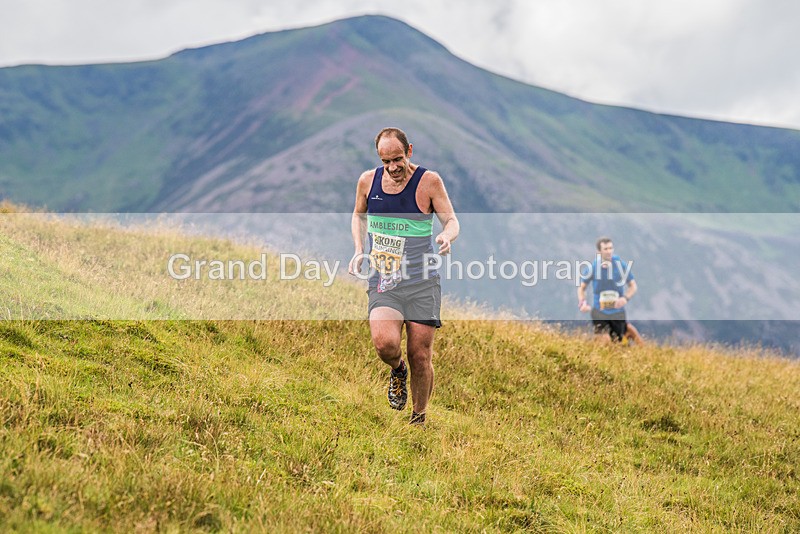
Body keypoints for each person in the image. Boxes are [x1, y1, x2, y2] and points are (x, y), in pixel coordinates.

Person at [349, 127, 459, 426]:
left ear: (409, 151)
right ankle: (397, 370)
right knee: (385, 343)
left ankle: (418, 417)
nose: (393, 167)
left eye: (397, 159)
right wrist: (359, 249)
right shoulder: (367, 181)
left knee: (420, 354)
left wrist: (447, 237)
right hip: (384, 280)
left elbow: (450, 219)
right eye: (386, 161)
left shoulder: (429, 182)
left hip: (422, 282)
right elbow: (358, 216)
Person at [577, 237, 638, 343]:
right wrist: (582, 302)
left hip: (617, 312)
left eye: (611, 248)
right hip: (599, 311)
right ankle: (597, 341)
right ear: (599, 252)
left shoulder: (620, 265)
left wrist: (625, 298)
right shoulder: (593, 268)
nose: (609, 251)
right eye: (605, 249)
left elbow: (633, 286)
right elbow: (582, 288)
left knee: (617, 343)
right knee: (605, 340)